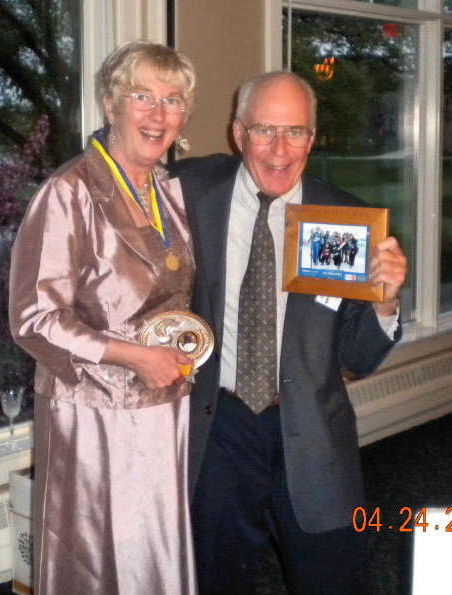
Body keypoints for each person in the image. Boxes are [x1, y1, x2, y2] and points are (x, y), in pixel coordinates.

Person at [171, 71, 407, 594]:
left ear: (312, 137)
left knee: (333, 578)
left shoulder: (345, 220)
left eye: (295, 132)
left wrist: (386, 300)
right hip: (218, 426)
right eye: (265, 130)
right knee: (214, 579)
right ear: (238, 132)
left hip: (313, 431)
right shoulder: (187, 191)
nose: (280, 150)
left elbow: (359, 357)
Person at [9, 41, 198, 595]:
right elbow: (34, 318)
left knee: (153, 550)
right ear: (111, 104)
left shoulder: (169, 189)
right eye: (142, 96)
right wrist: (135, 356)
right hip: (93, 412)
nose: (158, 114)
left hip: (165, 405)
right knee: (97, 561)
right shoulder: (68, 192)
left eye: (173, 100)